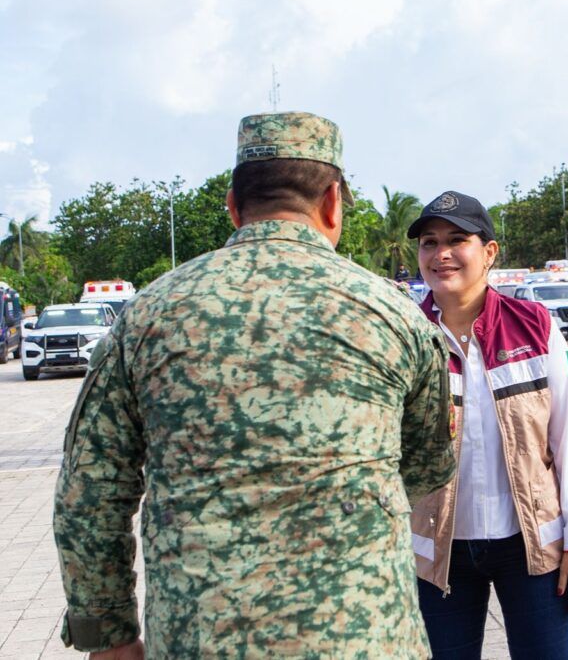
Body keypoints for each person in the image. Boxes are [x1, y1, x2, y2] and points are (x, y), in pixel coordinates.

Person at [53, 111, 455, 659]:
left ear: (233, 206)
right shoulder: (395, 314)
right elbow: (426, 464)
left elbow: (90, 490)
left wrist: (107, 634)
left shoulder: (146, 315)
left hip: (200, 637)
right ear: (332, 202)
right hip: (363, 636)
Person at [406, 191, 568, 659]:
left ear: (489, 252)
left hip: (532, 545)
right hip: (436, 550)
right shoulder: (407, 334)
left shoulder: (533, 326)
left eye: (457, 240)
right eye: (430, 242)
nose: (441, 254)